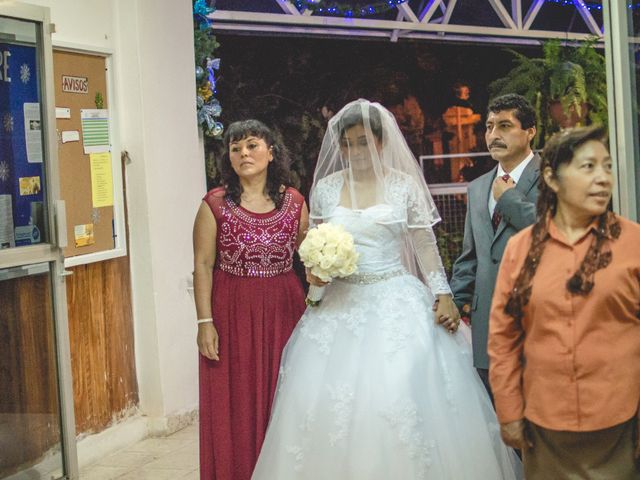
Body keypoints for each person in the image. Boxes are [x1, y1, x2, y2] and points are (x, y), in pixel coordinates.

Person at [252, 99, 522, 479]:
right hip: (339, 306)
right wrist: (315, 283)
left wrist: (443, 294)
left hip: (396, 301)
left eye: (364, 142)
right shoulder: (327, 189)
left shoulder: (402, 185)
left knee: (396, 392)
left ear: (381, 143)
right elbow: (316, 248)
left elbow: (424, 245)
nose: (356, 151)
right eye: (348, 144)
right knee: (326, 402)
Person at [488, 125, 640, 479]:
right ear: (552, 179)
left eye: (607, 167)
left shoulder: (633, 243)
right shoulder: (521, 249)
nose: (603, 179)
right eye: (588, 167)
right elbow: (503, 338)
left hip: (620, 426)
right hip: (544, 427)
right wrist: (509, 412)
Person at [192, 119, 308, 480]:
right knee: (235, 403)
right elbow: (203, 264)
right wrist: (204, 323)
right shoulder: (214, 204)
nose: (244, 153)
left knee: (285, 395)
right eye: (236, 148)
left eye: (252, 145)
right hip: (232, 313)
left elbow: (312, 259)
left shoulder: (295, 202)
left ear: (271, 153)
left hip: (285, 311)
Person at [449, 93, 540, 396]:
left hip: (537, 321)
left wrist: (509, 199)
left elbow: (553, 232)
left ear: (530, 131)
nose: (493, 135)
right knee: (499, 429)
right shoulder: (477, 188)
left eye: (504, 126)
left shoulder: (553, 176)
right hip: (487, 325)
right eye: (489, 127)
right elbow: (470, 256)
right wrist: (453, 301)